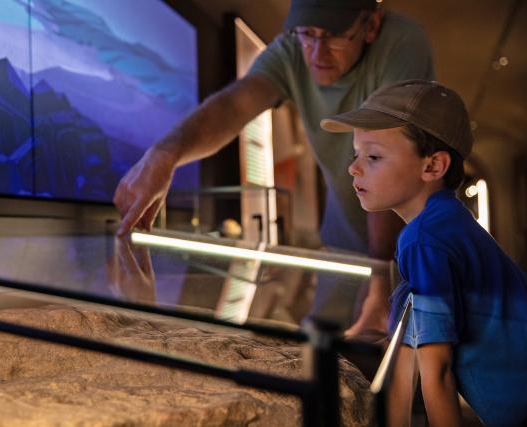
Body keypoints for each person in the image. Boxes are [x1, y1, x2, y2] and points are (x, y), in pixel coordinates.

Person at [113, 0, 434, 334]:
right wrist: (164, 155)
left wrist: (381, 274)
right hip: (344, 244)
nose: (316, 53)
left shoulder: (402, 43)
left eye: (335, 37)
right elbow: (233, 106)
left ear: (371, 26)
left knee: (406, 349)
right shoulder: (291, 50)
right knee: (321, 346)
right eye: (307, 35)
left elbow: (389, 151)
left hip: (409, 244)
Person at [321, 79, 527, 427]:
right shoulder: (448, 221)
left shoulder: (424, 239)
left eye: (373, 156)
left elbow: (438, 372)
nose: (354, 168)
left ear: (432, 166)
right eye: (355, 154)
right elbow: (412, 351)